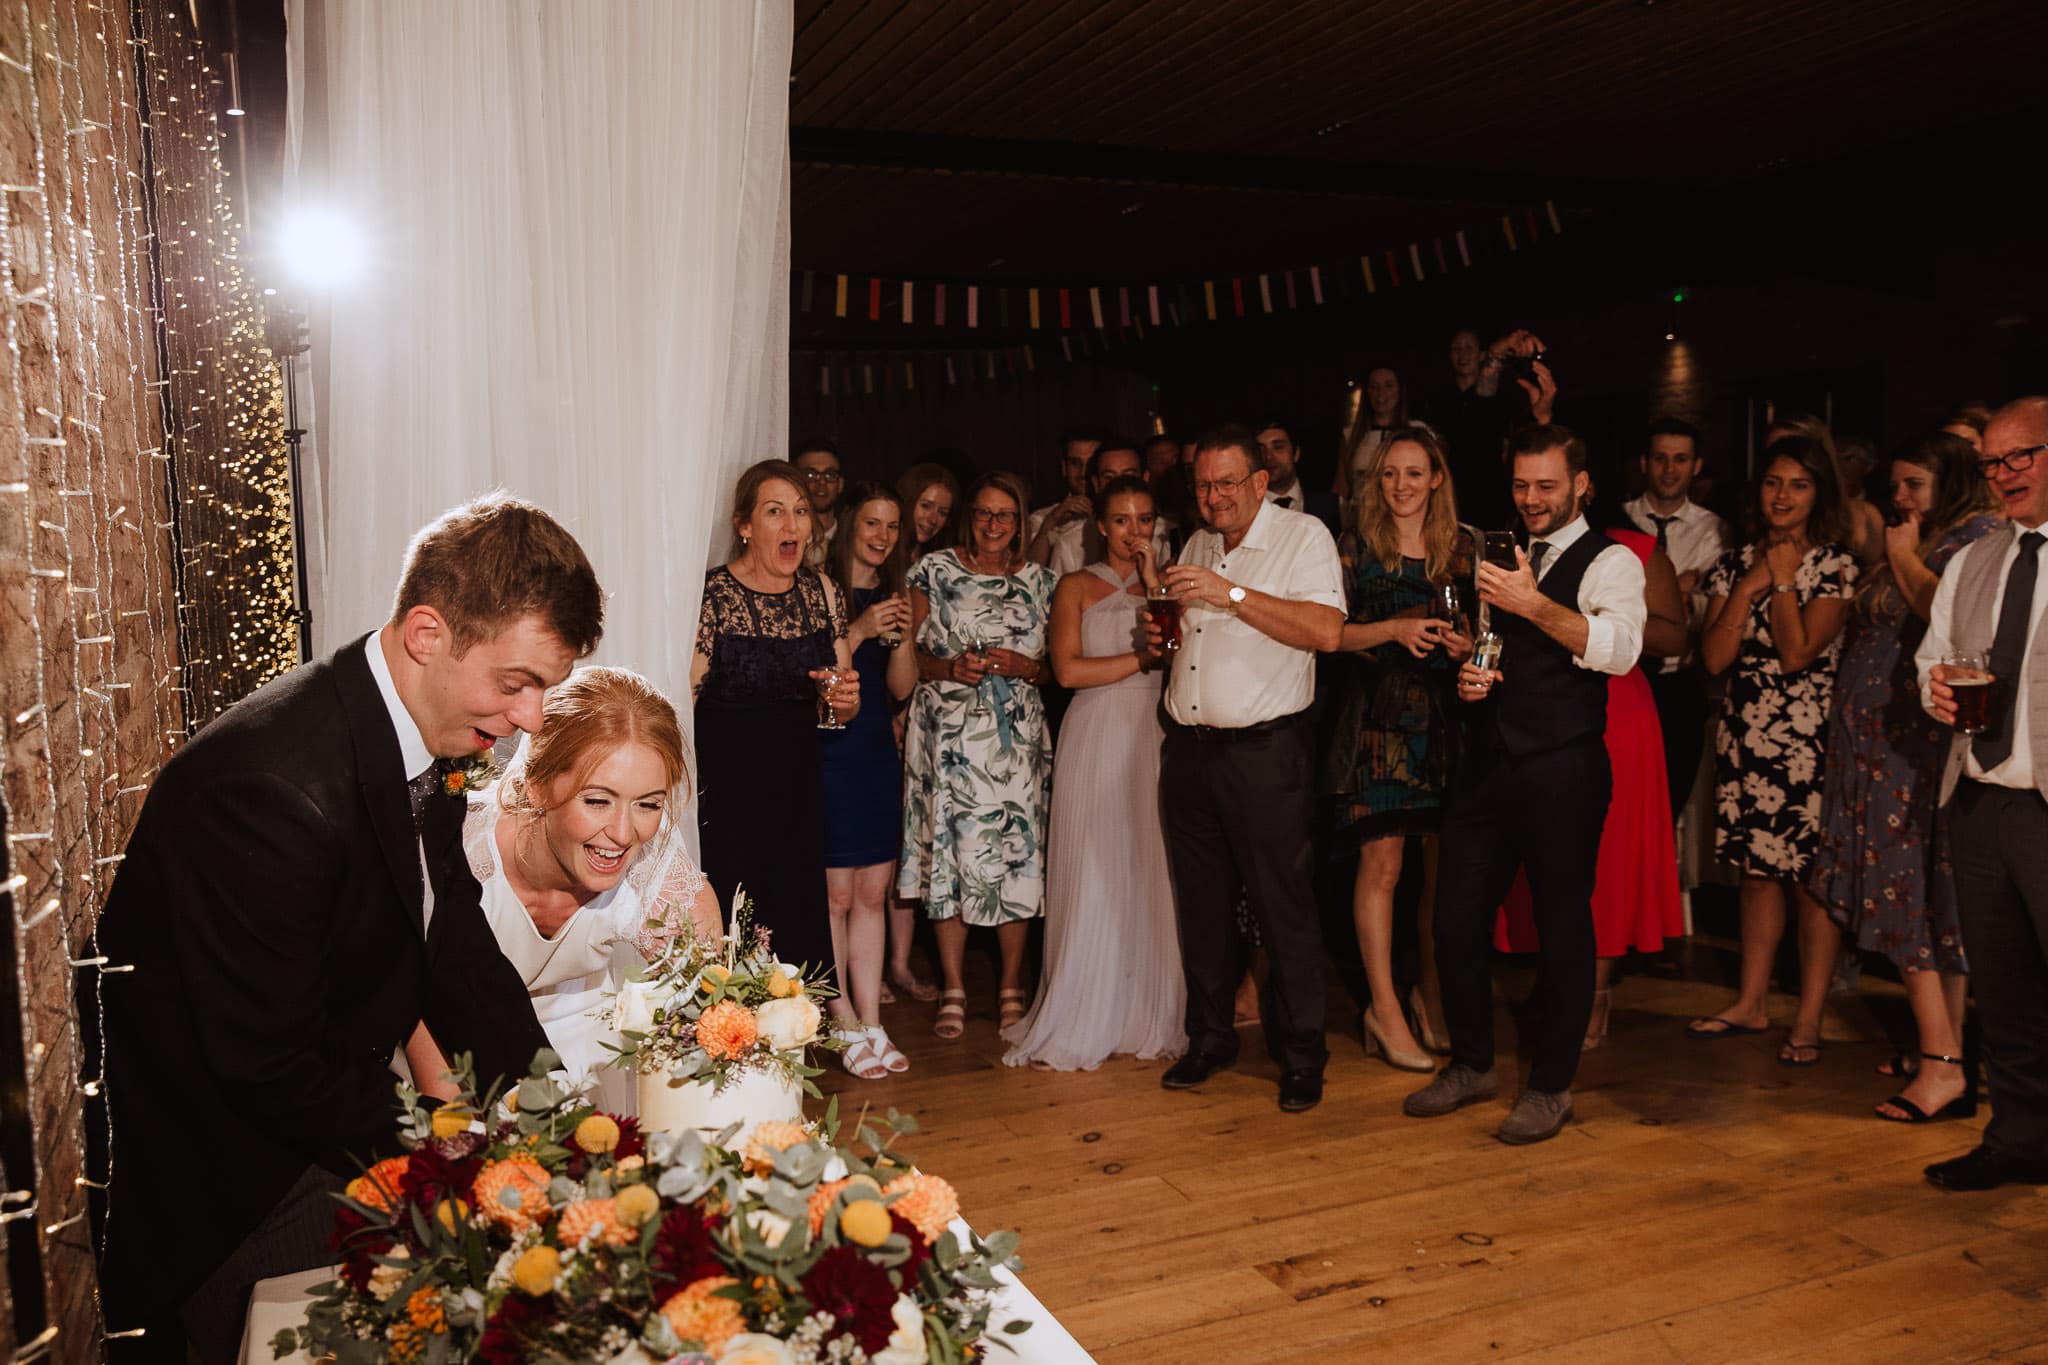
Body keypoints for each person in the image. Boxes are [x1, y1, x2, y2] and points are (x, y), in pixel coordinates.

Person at [94, 494, 600, 1361]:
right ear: (427, 634)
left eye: (543, 690)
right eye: (517, 684)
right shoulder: (275, 790)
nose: (530, 719)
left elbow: (452, 941)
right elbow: (268, 1066)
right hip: (236, 1186)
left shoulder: (424, 735)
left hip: (326, 1115)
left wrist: (552, 1115)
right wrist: (456, 1153)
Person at [1403, 424, 1646, 1144]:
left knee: (1563, 926)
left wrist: (1533, 603)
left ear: (1581, 485)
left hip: (1563, 767)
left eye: (1545, 486)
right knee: (1453, 918)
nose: (1531, 499)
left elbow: (1620, 651)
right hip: (1488, 760)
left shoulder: (1612, 561)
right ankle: (1473, 1064)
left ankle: (1550, 1087)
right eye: (1520, 485)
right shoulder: (1502, 549)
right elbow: (1495, 639)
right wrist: (1471, 671)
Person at [406, 668, 723, 1114]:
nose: (622, 833)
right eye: (596, 800)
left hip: (584, 1054)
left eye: (648, 804)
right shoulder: (455, 853)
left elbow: (718, 1012)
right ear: (536, 784)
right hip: (446, 1049)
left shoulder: (655, 870)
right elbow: (423, 1018)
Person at [1150, 428, 1345, 1113]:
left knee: (1280, 905)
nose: (1214, 496)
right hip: (1191, 749)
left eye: (1227, 483)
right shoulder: (1198, 541)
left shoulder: (1305, 537)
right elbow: (1190, 632)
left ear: (1261, 482)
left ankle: (1301, 1054)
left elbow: (1325, 631)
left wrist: (1229, 593)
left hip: (1266, 752)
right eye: (1203, 484)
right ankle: (1210, 1038)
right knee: (1201, 906)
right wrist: (1164, 634)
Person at [1808, 431, 1998, 1121]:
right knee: (1920, 900)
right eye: (1898, 484)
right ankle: (1938, 1049)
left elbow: (1946, 614)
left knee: (1910, 895)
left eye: (1915, 484)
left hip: (1915, 754)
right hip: (1884, 751)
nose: (1901, 497)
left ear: (1953, 482)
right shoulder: (1933, 531)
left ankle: (1945, 1065)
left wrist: (1900, 554)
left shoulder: (1974, 538)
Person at [1004, 476, 1186, 1070]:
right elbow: (1067, 671)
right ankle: (1085, 1009)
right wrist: (1140, 659)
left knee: (1150, 864)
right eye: (1123, 520)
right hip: (1095, 730)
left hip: (1155, 731)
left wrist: (1157, 586)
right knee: (1095, 865)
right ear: (1101, 526)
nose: (1135, 532)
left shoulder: (1172, 583)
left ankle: (1147, 1010)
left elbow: (1186, 653)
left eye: (1145, 519)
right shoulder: (1075, 586)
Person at [1687, 436, 1859, 1065]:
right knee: (1756, 877)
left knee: (1811, 882)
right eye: (1773, 483)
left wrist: (1782, 583)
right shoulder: (1733, 564)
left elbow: (1798, 654)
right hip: (1747, 737)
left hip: (1810, 743)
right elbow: (1712, 658)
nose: (1782, 496)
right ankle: (1751, 1002)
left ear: (1821, 495)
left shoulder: (1838, 565)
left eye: (1799, 484)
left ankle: (1809, 1017)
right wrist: (1751, 584)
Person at [1496, 503, 1688, 1050]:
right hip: (1543, 709)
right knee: (1550, 860)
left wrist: (1592, 621)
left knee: (1608, 860)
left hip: (1618, 708)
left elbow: (1675, 638)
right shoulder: (1518, 544)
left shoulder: (1633, 548)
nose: (1536, 500)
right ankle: (1557, 984)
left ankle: (1595, 995)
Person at [1916, 397, 2048, 1190]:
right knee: (2005, 988)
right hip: (1979, 795)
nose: (2002, 477)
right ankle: (2022, 1141)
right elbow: (1934, 654)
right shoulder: (1972, 559)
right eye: (1992, 463)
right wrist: (1931, 688)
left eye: (2019, 458)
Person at [1323, 428, 1473, 1071]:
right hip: (1380, 724)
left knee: (1442, 879)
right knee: (1382, 870)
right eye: (1389, 474)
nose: (1401, 486)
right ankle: (1382, 1010)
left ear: (1436, 477)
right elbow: (1328, 636)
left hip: (1446, 724)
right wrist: (1394, 628)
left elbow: (1484, 632)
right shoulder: (1353, 546)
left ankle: (1428, 996)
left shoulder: (1463, 547)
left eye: (1414, 474)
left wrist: (1470, 647)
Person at [693, 461, 861, 993]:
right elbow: (684, 699)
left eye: (800, 512)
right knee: (733, 924)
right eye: (775, 512)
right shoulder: (713, 596)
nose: (792, 526)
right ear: (745, 525)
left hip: (796, 790)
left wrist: (845, 701)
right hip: (729, 795)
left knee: (795, 924)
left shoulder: (824, 594)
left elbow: (838, 712)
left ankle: (790, 1050)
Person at [900, 472, 1057, 1039]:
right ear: (970, 517)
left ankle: (1012, 983)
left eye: (1006, 516)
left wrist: (1026, 669)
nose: (994, 525)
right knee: (950, 859)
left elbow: (1055, 667)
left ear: (1021, 521)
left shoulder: (1043, 582)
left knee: (1013, 860)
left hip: (1014, 739)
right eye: (985, 514)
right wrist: (949, 668)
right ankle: (954, 985)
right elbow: (908, 658)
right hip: (948, 735)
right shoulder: (935, 571)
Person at [822, 483, 920, 1077]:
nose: (882, 536)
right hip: (831, 750)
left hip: (878, 754)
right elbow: (821, 676)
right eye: (872, 523)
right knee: (834, 896)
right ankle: (841, 1019)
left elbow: (903, 687)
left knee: (872, 894)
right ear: (849, 527)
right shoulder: (821, 591)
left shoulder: (895, 594)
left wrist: (902, 634)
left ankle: (873, 1021)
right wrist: (856, 630)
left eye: (891, 526)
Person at [1622, 417, 1734, 813]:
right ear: (1644, 463)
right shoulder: (1619, 521)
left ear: (1697, 466)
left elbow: (1709, 609)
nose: (1670, 470)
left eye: (1681, 459)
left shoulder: (1716, 531)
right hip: (1625, 679)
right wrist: (1678, 587)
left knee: (1669, 805)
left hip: (1680, 684)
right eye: (1660, 459)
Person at [1427, 328, 1552, 531]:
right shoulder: (1440, 399)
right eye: (1456, 348)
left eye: (1469, 347)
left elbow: (1486, 390)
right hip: (1449, 497)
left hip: (1491, 496)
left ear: (1481, 354)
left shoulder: (1500, 394)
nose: (1463, 354)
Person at [1046, 438, 1173, 576]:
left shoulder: (1169, 536)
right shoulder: (1070, 543)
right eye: (1109, 477)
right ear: (1096, 484)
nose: (1120, 486)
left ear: (1145, 477)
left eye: (1129, 476)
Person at [1333, 366, 1435, 504]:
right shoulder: (1350, 435)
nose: (1381, 393)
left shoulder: (1418, 431)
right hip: (1359, 517)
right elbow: (1341, 488)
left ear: (1399, 390)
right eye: (1374, 387)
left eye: (1388, 386)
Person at [1256, 417, 1343, 539]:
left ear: (1296, 453)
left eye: (1278, 447)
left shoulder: (1331, 506)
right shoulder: (1246, 508)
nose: (1268, 456)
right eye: (1261, 450)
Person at [1024, 426, 1102, 560]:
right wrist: (1050, 524)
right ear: (1064, 468)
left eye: (1091, 463)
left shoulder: (1129, 519)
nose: (1084, 473)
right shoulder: (1041, 519)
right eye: (1075, 463)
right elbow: (1029, 576)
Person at [793, 439, 846, 569]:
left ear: (840, 484)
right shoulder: (785, 539)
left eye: (829, 475)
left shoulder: (852, 540)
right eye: (810, 475)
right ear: (796, 481)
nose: (821, 482)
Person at [898, 462, 959, 563]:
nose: (933, 519)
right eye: (925, 506)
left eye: (942, 513)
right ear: (907, 501)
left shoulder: (943, 563)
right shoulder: (881, 555)